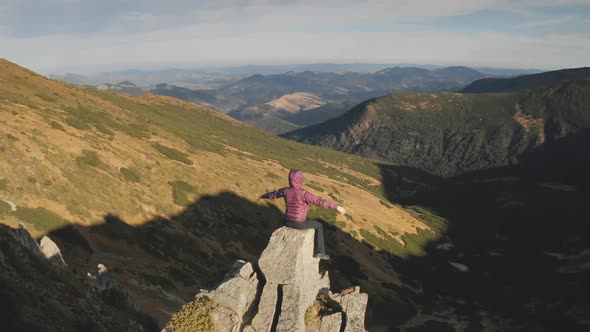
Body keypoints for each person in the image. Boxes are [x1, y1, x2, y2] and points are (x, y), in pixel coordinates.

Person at [260, 169, 346, 260]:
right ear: (300, 179)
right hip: (299, 223)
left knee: (301, 220)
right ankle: (320, 252)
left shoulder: (285, 190)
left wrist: (262, 196)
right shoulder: (303, 193)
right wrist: (337, 207)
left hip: (288, 222)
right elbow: (319, 202)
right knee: (319, 226)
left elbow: (273, 194)